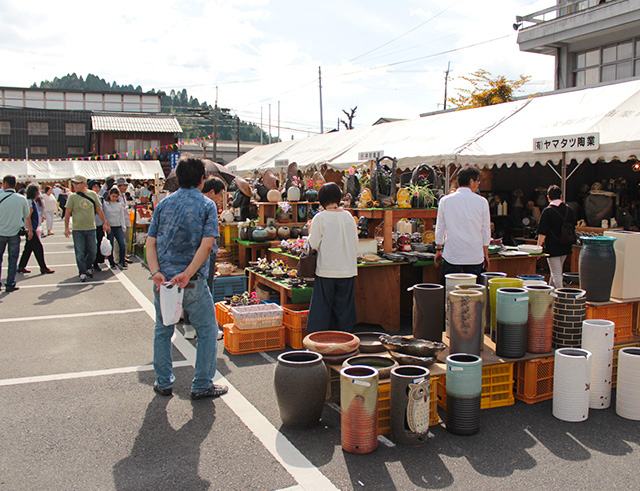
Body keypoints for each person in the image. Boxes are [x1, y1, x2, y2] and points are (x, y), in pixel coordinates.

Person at [146, 158, 227, 400]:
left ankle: (163, 382)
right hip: (192, 281)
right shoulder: (206, 205)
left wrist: (155, 272)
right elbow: (207, 244)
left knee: (163, 330)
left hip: (164, 281)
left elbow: (151, 242)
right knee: (207, 331)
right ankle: (202, 383)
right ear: (202, 179)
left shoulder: (164, 204)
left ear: (178, 178)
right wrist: (188, 273)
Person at [306, 182, 358, 333]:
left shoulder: (320, 218)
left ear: (321, 200)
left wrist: (309, 232)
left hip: (326, 270)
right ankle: (345, 341)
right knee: (344, 311)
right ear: (338, 198)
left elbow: (312, 245)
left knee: (322, 310)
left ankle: (318, 342)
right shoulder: (349, 216)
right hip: (348, 269)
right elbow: (355, 242)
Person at [182, 176, 226, 340]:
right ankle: (209, 329)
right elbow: (209, 238)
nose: (221, 198)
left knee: (190, 287)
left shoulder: (191, 203)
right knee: (206, 291)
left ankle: (189, 327)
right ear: (212, 192)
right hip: (204, 254)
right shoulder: (209, 206)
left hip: (188, 252)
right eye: (220, 194)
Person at [435, 167, 491, 279]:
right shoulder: (482, 202)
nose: (478, 184)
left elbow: (440, 227)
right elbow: (485, 229)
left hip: (452, 254)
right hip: (474, 255)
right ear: (471, 181)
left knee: (451, 293)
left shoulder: (445, 201)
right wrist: (486, 254)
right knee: (473, 293)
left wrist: (438, 249)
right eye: (477, 181)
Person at [64, 175, 110, 282]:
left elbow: (99, 210)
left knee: (93, 251)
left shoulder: (93, 194)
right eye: (74, 183)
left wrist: (105, 222)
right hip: (77, 229)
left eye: (77, 183)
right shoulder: (72, 197)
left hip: (91, 228)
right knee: (80, 251)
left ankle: (88, 267)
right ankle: (82, 271)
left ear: (84, 184)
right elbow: (67, 213)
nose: (74, 185)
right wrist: (66, 227)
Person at [537, 185, 577, 288]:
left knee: (556, 274)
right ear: (561, 196)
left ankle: (562, 296)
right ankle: (550, 296)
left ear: (548, 197)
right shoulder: (569, 210)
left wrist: (538, 249)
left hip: (552, 247)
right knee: (555, 272)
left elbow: (542, 233)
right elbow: (573, 226)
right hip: (566, 245)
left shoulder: (547, 211)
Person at [0, 175, 33, 292]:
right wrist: (30, 230)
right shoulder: (21, 198)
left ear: (4, 183)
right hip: (15, 233)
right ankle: (10, 283)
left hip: (0, 232)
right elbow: (27, 217)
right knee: (13, 259)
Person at [18, 184, 55, 275]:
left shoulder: (32, 201)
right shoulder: (29, 202)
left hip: (32, 228)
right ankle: (43, 267)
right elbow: (28, 217)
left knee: (28, 249)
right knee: (38, 248)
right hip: (31, 229)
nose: (39, 192)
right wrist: (30, 230)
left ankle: (21, 266)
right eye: (38, 190)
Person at [103, 187, 129, 269]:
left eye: (116, 196)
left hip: (118, 227)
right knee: (111, 245)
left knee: (122, 244)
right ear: (109, 195)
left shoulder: (119, 204)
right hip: (110, 227)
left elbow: (122, 216)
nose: (114, 198)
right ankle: (112, 262)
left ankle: (122, 261)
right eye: (113, 196)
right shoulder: (105, 204)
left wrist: (123, 226)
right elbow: (104, 215)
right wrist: (105, 225)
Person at [90, 180, 106, 271]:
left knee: (99, 242)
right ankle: (92, 262)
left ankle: (97, 262)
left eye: (98, 187)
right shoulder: (87, 198)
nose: (96, 188)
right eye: (94, 186)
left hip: (99, 223)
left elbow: (103, 211)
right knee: (92, 244)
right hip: (90, 224)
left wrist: (105, 222)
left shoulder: (101, 198)